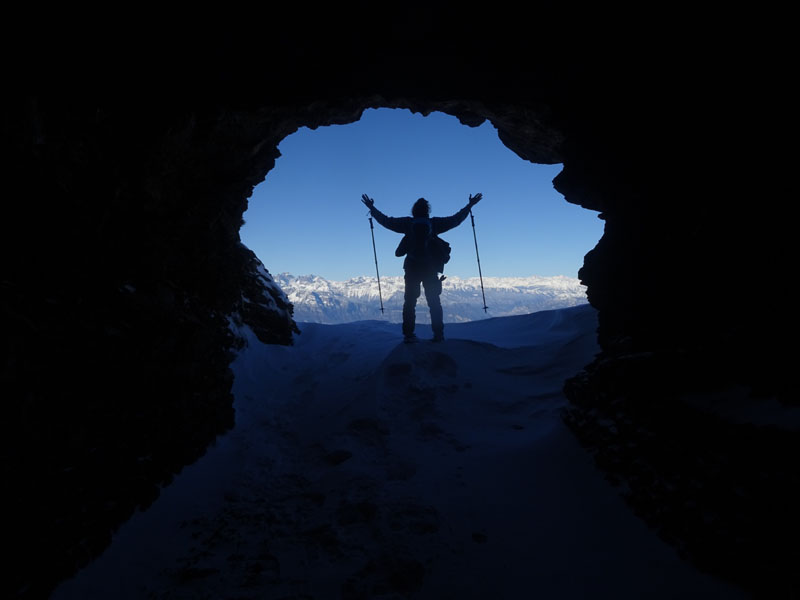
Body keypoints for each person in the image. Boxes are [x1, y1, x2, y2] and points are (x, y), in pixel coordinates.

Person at [361, 192, 483, 343]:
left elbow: (386, 221)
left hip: (412, 267)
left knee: (410, 301)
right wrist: (469, 206)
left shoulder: (407, 224)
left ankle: (409, 335)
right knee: (434, 301)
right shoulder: (435, 224)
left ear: (413, 211)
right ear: (427, 211)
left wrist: (372, 208)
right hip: (430, 268)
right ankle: (438, 334)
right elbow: (455, 220)